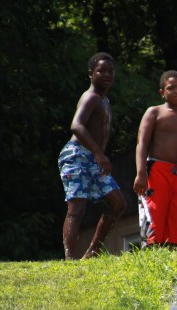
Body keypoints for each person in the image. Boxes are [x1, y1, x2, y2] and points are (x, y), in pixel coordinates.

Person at [58, 52, 127, 260]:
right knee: (77, 207)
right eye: (101, 71)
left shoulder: (105, 100)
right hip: (77, 154)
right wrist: (99, 154)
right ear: (91, 74)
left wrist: (98, 155)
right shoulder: (91, 97)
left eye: (110, 71)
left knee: (118, 203)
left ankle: (93, 251)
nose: (106, 75)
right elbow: (76, 125)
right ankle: (70, 259)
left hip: (94, 157)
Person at [133, 70, 177, 248]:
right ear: (162, 92)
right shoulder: (154, 112)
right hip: (157, 170)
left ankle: (173, 252)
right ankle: (151, 252)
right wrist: (141, 173)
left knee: (176, 215)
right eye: (171, 88)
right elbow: (142, 143)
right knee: (155, 212)